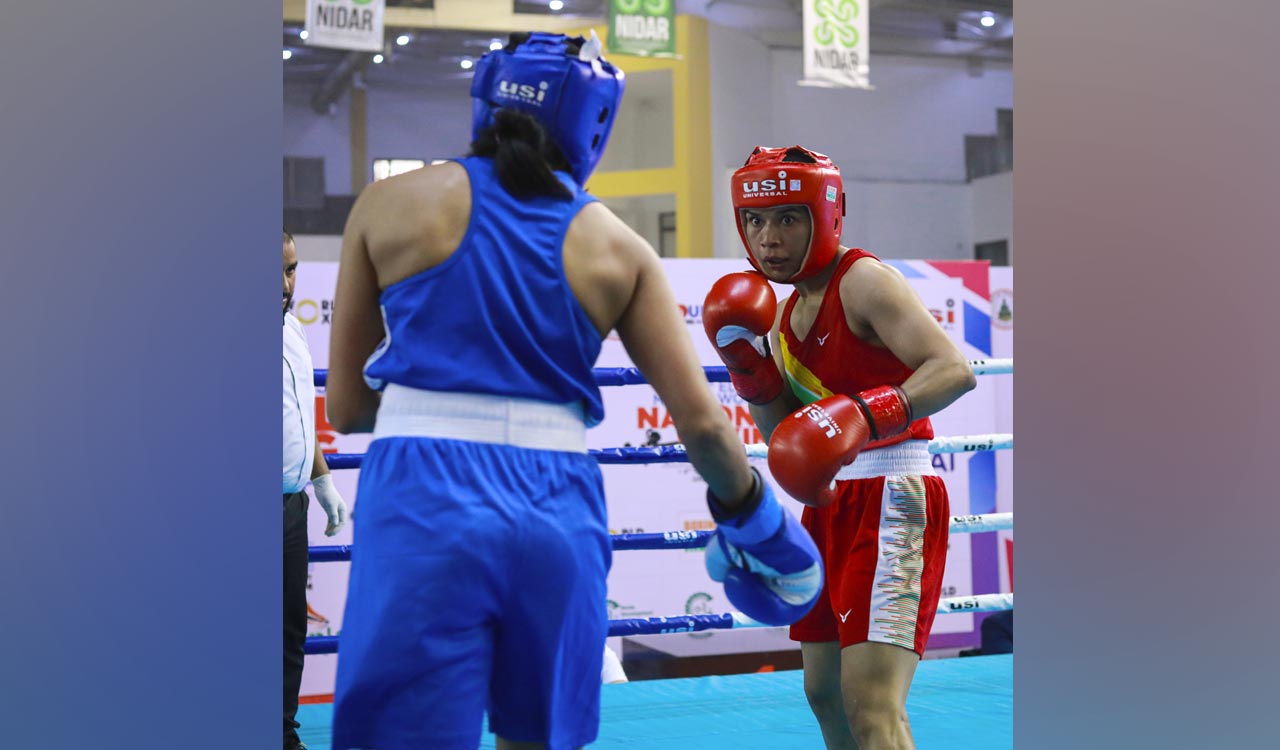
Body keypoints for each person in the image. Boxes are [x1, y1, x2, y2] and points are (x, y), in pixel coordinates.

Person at [324, 32, 823, 750]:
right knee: (541, 736)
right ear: (593, 122)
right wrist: (755, 519)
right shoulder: (617, 246)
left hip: (421, 497)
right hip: (555, 504)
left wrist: (429, 403)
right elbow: (704, 427)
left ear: (487, 97)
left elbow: (345, 409)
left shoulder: (388, 204)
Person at [702, 145, 977, 750]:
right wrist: (749, 370)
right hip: (830, 504)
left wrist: (865, 413)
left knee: (871, 704)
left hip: (893, 493)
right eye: (755, 221)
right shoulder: (779, 315)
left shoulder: (863, 281)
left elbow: (953, 370)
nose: (769, 238)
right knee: (824, 693)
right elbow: (786, 439)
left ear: (824, 216)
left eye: (787, 218)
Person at [282, 231, 349, 750]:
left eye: (291, 269)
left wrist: (322, 480)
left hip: (291, 504)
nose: (285, 284)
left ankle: (282, 733)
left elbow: (302, 415)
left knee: (288, 630)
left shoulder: (295, 329)